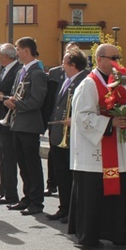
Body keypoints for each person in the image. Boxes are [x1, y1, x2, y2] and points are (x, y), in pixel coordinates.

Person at [68, 44, 126, 249]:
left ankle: (121, 234)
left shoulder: (116, 83)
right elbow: (82, 117)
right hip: (95, 152)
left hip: (117, 150)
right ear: (99, 59)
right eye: (113, 58)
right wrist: (110, 123)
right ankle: (89, 236)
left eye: (118, 57)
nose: (117, 62)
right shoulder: (88, 84)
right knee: (94, 195)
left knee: (122, 193)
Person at [5, 37, 48, 216]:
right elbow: (18, 93)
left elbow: (37, 100)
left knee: (32, 165)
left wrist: (16, 105)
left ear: (26, 50)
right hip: (18, 123)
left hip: (29, 124)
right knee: (22, 164)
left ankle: (36, 201)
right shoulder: (22, 71)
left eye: (18, 49)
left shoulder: (37, 73)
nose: (16, 52)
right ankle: (27, 197)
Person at [46, 49, 89, 223]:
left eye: (64, 62)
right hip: (59, 135)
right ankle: (63, 208)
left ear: (72, 64)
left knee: (71, 177)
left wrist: (76, 119)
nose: (62, 65)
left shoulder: (83, 81)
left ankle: (73, 210)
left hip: (73, 136)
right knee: (61, 174)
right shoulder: (66, 80)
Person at [0, 44, 22, 205]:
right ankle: (3, 191)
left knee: (9, 158)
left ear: (7, 56)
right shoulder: (4, 70)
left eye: (0, 55)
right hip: (1, 118)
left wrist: (2, 97)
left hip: (11, 119)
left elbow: (17, 94)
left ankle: (11, 194)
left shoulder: (17, 70)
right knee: (3, 157)